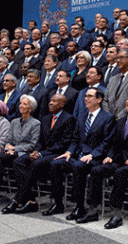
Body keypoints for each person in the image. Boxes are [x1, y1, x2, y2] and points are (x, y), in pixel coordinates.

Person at [76, 90, 128, 227]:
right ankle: (93, 210)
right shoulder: (121, 121)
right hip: (119, 161)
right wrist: (110, 156)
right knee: (96, 170)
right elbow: (114, 144)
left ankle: (116, 214)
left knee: (120, 173)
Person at [48, 88, 116, 221]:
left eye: (90, 96)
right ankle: (58, 203)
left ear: (99, 99)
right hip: (78, 155)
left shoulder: (108, 117)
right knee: (55, 164)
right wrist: (69, 152)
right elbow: (75, 139)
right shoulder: (81, 116)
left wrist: (92, 155)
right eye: (85, 96)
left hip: (95, 158)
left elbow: (107, 142)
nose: (86, 99)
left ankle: (79, 206)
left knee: (79, 167)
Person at [1, 94, 75, 214]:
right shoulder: (45, 119)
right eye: (50, 100)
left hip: (57, 153)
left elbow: (63, 143)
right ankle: (31, 200)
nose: (50, 103)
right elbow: (40, 141)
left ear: (62, 104)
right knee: (18, 161)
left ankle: (17, 200)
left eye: (54, 101)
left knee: (36, 163)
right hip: (43, 152)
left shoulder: (68, 119)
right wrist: (37, 151)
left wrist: (41, 154)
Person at [0, 95, 40, 207]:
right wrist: (8, 147)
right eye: (20, 103)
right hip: (10, 151)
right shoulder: (14, 122)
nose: (21, 105)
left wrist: (14, 149)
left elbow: (32, 144)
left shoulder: (35, 123)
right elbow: (8, 140)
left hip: (22, 153)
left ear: (31, 108)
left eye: (25, 104)